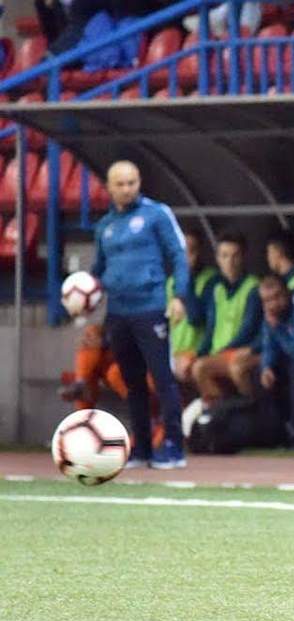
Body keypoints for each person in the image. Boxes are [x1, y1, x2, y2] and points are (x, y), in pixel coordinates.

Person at [90, 160, 190, 469]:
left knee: (162, 378)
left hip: (151, 307)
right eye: (120, 184)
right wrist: (83, 294)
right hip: (118, 313)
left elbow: (178, 254)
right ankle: (142, 447)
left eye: (132, 182)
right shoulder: (104, 226)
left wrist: (180, 296)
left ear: (139, 182)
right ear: (109, 187)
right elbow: (99, 270)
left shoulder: (156, 214)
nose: (127, 189)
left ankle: (174, 446)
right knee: (131, 381)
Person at [191, 230, 262, 408]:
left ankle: (248, 411)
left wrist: (222, 351)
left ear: (244, 257)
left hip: (238, 350)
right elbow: (210, 326)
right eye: (224, 256)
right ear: (217, 258)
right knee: (195, 364)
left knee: (201, 367)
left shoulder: (253, 287)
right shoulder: (216, 288)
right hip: (219, 352)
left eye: (235, 256)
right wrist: (201, 352)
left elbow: (249, 328)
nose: (230, 262)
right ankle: (220, 412)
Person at [257, 275, 294, 445]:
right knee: (264, 374)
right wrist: (266, 367)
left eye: (277, 297)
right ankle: (275, 431)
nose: (273, 304)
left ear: (287, 293)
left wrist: (277, 329)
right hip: (291, 356)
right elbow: (268, 346)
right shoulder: (270, 316)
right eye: (267, 300)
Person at [167, 227, 218, 384]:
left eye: (191, 250)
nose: (186, 256)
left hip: (197, 351)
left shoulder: (211, 279)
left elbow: (196, 317)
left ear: (200, 251)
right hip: (175, 351)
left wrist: (186, 278)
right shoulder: (171, 281)